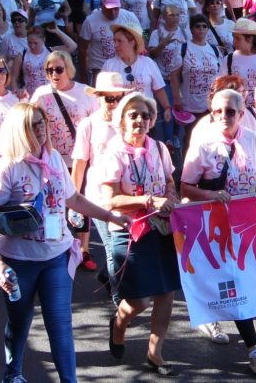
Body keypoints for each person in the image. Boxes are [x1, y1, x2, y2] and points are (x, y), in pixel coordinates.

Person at [0, 103, 129, 383]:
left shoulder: (55, 159)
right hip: (18, 261)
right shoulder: (7, 168)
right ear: (17, 131)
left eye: (42, 122)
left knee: (60, 327)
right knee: (20, 323)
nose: (40, 129)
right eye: (32, 125)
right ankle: (13, 373)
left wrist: (110, 216)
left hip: (56, 257)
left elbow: (72, 199)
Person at [180, 89, 256, 375]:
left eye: (230, 112)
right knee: (234, 284)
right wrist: (212, 196)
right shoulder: (204, 144)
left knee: (241, 281)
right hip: (214, 226)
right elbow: (185, 187)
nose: (223, 116)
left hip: (246, 224)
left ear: (241, 114)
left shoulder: (252, 139)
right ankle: (254, 349)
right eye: (218, 111)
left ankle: (211, 315)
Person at [99, 93, 180, 374]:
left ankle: (155, 352)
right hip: (129, 231)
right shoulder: (114, 152)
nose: (139, 120)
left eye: (145, 116)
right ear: (122, 120)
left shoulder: (159, 148)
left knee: (166, 294)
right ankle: (119, 324)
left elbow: (170, 181)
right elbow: (110, 200)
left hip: (162, 227)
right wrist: (148, 201)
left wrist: (170, 196)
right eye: (133, 115)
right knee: (139, 301)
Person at [29, 51, 99, 269]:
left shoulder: (85, 93)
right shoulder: (41, 94)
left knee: (80, 200)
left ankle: (84, 249)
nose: (54, 74)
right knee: (53, 201)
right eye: (49, 70)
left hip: (80, 157)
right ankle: (56, 244)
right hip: (51, 159)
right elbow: (31, 121)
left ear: (68, 69)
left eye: (58, 69)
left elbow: (95, 124)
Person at [70, 72, 131, 301]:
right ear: (98, 98)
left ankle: (106, 276)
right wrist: (74, 202)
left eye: (118, 98)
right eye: (108, 98)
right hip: (99, 198)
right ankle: (120, 299)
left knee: (124, 248)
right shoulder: (89, 124)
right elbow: (79, 164)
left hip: (126, 196)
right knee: (112, 247)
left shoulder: (130, 122)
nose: (113, 104)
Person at [171, 15, 221, 149]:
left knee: (210, 142)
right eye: (197, 26)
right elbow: (174, 76)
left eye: (204, 26)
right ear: (191, 29)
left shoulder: (214, 50)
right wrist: (176, 98)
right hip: (190, 105)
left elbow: (219, 77)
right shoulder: (183, 48)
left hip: (210, 106)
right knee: (191, 142)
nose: (201, 29)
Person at [79, 0, 140, 82]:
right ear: (102, 6)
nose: (113, 13)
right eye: (109, 9)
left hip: (126, 67)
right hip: (100, 69)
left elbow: (141, 39)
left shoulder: (129, 17)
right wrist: (83, 74)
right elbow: (82, 49)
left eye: (116, 9)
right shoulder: (90, 21)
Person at [219, 18, 256, 108]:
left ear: (250, 39)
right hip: (236, 112)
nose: (234, 41)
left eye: (238, 38)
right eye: (233, 37)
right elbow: (221, 87)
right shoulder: (229, 60)